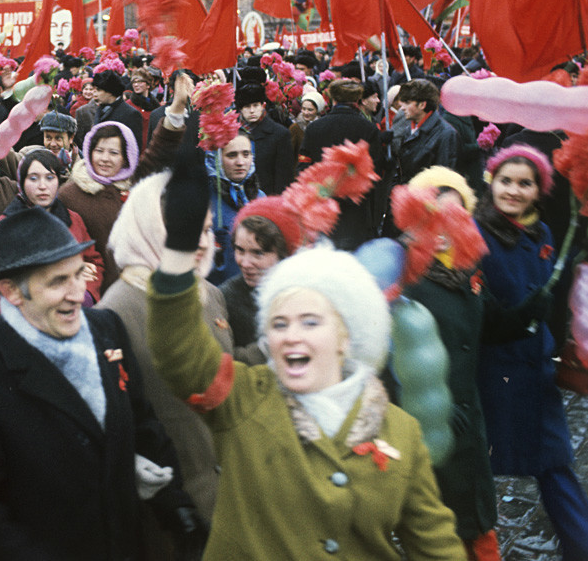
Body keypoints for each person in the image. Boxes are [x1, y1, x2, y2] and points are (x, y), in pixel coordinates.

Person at [146, 149, 465, 558]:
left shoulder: (401, 433)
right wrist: (176, 254)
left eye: (310, 322)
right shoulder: (243, 398)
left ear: (346, 336)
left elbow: (436, 545)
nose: (291, 336)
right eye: (279, 324)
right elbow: (180, 355)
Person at [0, 207, 207, 560]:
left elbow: (142, 423)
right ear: (12, 292)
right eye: (58, 281)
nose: (77, 293)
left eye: (79, 274)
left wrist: (174, 502)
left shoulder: (107, 329)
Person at [475, 145, 588, 561]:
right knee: (478, 473)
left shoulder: (541, 233)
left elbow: (553, 291)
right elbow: (479, 309)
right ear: (493, 182)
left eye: (525, 183)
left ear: (538, 190)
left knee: (556, 462)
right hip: (493, 376)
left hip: (536, 371)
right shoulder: (475, 232)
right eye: (506, 180)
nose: (514, 191)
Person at [100, 169, 225, 534]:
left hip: (229, 489)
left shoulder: (210, 293)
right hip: (171, 505)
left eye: (205, 230)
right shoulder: (118, 309)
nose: (201, 242)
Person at [402, 167, 500, 560]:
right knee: (441, 528)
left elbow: (492, 325)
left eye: (455, 215)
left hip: (470, 422)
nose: (445, 224)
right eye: (434, 213)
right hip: (432, 429)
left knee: (478, 521)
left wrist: (532, 310)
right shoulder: (406, 277)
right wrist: (433, 412)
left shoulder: (468, 269)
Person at [0, 148, 103, 304]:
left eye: (49, 178)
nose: (42, 186)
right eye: (33, 178)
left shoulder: (73, 219)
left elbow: (94, 263)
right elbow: (4, 280)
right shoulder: (4, 226)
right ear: (21, 182)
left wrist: (86, 294)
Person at [302, 78, 386, 250]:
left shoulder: (314, 128)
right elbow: (376, 171)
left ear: (333, 99)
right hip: (356, 210)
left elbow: (303, 166)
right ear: (357, 100)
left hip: (321, 205)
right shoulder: (368, 129)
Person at [58, 120, 140, 293]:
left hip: (134, 287)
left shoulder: (137, 190)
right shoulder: (69, 194)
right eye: (99, 151)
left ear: (126, 156)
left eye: (113, 153)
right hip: (92, 288)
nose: (105, 159)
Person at [219, 196, 300, 356]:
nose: (245, 263)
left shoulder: (306, 295)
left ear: (284, 255)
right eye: (240, 250)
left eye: (258, 253)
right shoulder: (227, 299)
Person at [206, 132, 264, 285]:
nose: (240, 162)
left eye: (246, 154)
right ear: (217, 158)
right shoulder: (204, 199)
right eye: (232, 155)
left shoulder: (261, 198)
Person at [390, 79, 460, 186]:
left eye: (407, 103)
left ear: (422, 105)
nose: (402, 107)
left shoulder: (446, 134)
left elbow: (444, 180)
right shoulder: (409, 129)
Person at [236, 83, 296, 195]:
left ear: (262, 105)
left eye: (255, 105)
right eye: (247, 106)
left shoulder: (280, 134)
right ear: (240, 109)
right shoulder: (232, 133)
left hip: (266, 199)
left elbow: (284, 178)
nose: (252, 111)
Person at [91, 69, 143, 150]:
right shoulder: (101, 109)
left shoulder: (131, 114)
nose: (94, 94)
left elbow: (134, 149)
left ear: (110, 92)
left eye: (98, 90)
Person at [289, 90, 324, 170]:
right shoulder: (296, 127)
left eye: (310, 110)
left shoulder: (322, 126)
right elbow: (289, 152)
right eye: (304, 109)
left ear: (317, 110)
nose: (306, 112)